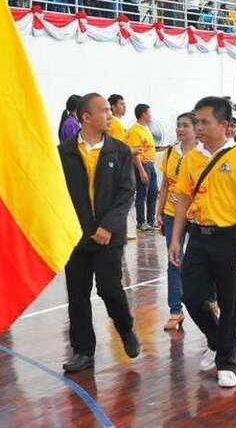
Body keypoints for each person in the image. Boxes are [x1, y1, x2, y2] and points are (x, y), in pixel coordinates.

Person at [169, 96, 236, 388]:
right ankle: (217, 340)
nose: (199, 127)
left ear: (224, 125)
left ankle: (226, 362)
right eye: (197, 122)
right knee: (191, 296)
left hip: (230, 238)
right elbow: (183, 199)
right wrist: (176, 238)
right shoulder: (191, 158)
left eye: (205, 122)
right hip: (198, 237)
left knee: (231, 302)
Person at [58, 93, 139, 373]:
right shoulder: (64, 153)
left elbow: (127, 192)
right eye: (104, 110)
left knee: (109, 288)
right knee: (77, 295)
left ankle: (125, 329)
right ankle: (83, 350)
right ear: (86, 117)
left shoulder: (119, 150)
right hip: (76, 237)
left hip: (109, 236)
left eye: (109, 110)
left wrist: (108, 226)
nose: (110, 115)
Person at [155, 112, 197, 331]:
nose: (180, 129)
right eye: (178, 125)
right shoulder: (170, 152)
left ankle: (211, 300)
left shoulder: (203, 154)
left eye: (185, 125)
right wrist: (159, 212)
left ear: (196, 128)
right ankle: (175, 310)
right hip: (172, 214)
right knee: (174, 261)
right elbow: (165, 185)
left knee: (202, 262)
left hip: (198, 216)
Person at [127, 104, 158, 232]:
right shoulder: (135, 130)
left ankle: (151, 221)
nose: (151, 115)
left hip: (150, 165)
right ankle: (141, 222)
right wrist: (141, 171)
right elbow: (135, 153)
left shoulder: (145, 128)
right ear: (143, 114)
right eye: (149, 113)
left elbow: (148, 147)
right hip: (143, 165)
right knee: (142, 194)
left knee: (153, 193)